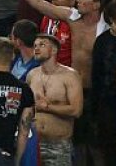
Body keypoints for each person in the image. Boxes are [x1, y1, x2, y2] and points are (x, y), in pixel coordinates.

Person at [25, 34, 82, 166]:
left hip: (58, 145)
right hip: (34, 142)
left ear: (55, 50)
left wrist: (47, 107)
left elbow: (76, 110)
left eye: (42, 45)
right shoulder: (32, 75)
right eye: (35, 46)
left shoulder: (70, 76)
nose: (37, 48)